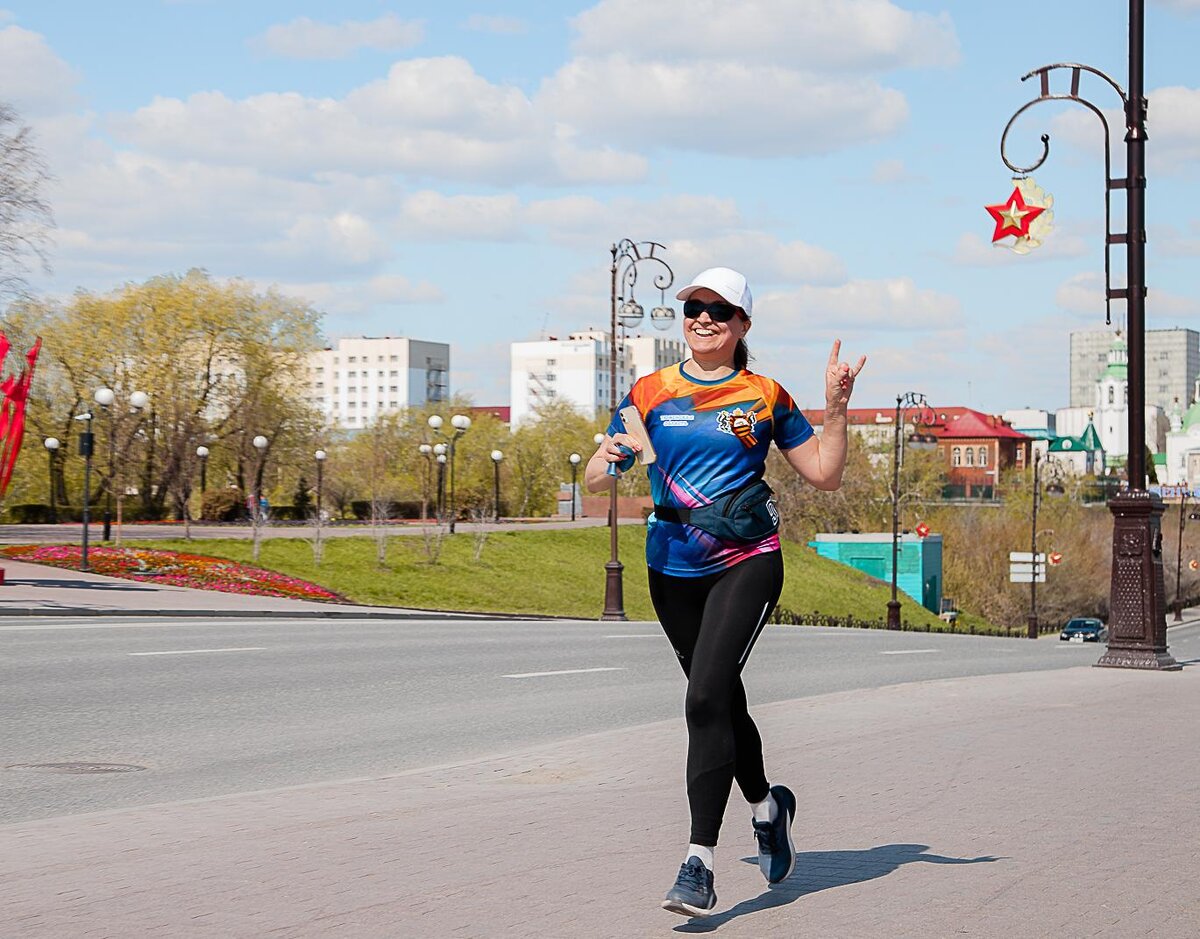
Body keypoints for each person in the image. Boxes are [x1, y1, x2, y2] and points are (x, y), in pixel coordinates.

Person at [584, 266, 865, 917]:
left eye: (719, 309)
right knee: (721, 700)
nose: (704, 318)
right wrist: (614, 458)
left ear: (742, 323)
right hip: (671, 565)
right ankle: (767, 806)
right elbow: (597, 472)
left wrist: (837, 410)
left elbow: (824, 473)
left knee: (704, 695)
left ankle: (698, 863)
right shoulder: (649, 391)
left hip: (747, 558)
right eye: (694, 308)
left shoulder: (765, 395)